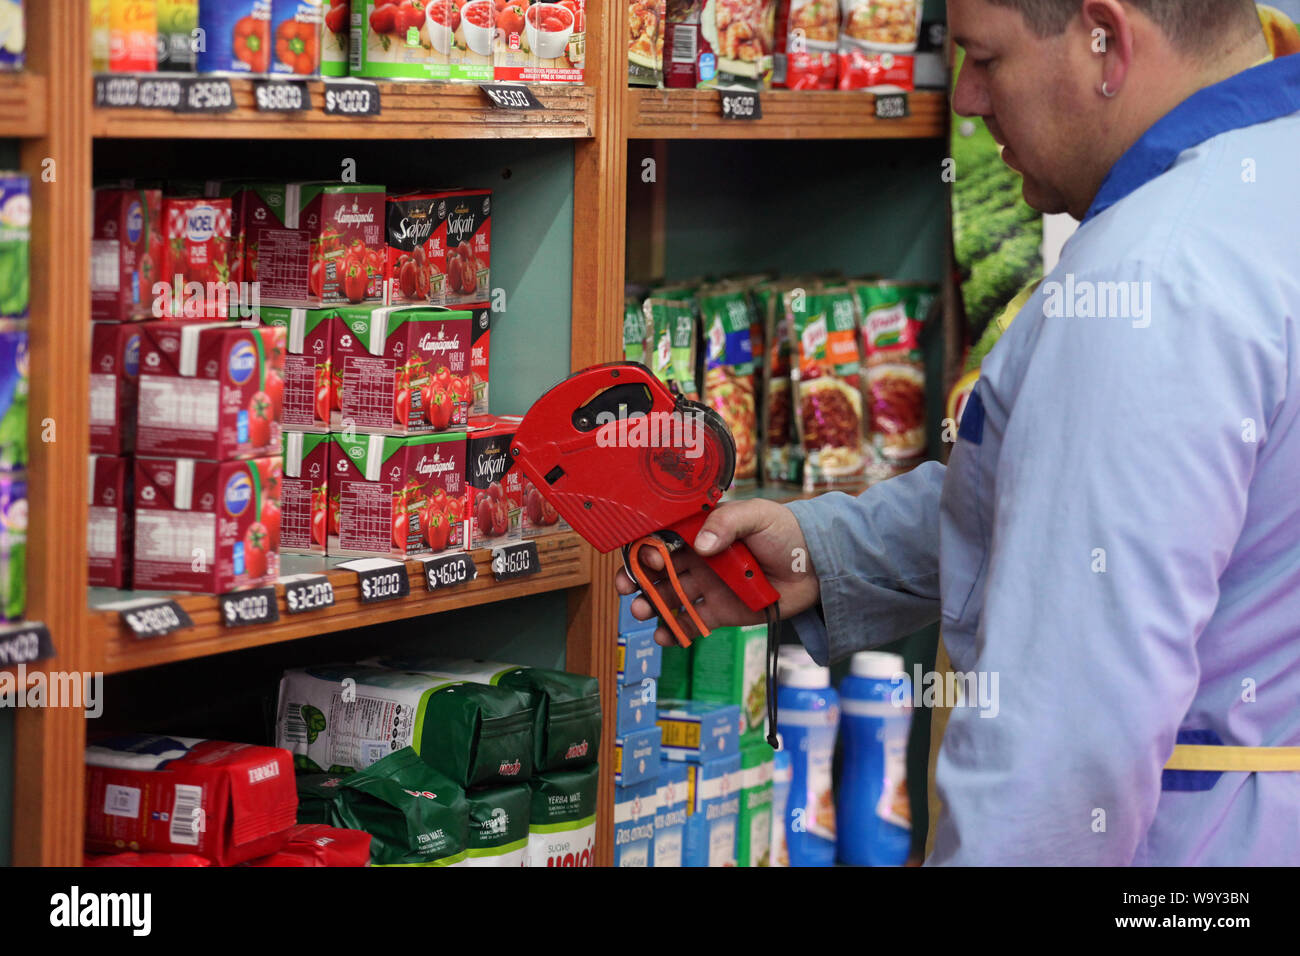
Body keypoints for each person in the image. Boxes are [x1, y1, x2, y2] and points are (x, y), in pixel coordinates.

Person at [617, 0, 1300, 865]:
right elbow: (1107, 518)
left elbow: (1059, 752)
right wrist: (829, 551)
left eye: (985, 57)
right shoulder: (1268, 177)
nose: (968, 99)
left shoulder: (1152, 280)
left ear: (1107, 41)